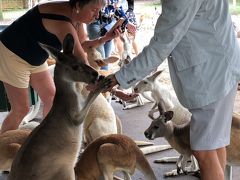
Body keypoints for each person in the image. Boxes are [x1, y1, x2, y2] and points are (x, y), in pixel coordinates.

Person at [90, 0, 240, 179]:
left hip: (211, 76)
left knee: (203, 151)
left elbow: (161, 45)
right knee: (214, 145)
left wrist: (117, 78)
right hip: (220, 67)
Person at [0, 0, 121, 134]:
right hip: (11, 54)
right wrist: (99, 83)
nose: (97, 16)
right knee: (21, 109)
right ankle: (2, 147)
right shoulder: (62, 21)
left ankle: (46, 139)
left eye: (99, 10)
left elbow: (83, 45)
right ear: (78, 5)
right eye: (93, 10)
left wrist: (105, 38)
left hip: (35, 57)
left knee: (52, 97)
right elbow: (80, 57)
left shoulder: (76, 16)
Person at [87, 0, 136, 70]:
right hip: (95, 23)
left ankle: (104, 77)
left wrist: (127, 22)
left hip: (109, 25)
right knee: (101, 59)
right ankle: (102, 77)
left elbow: (118, 8)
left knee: (106, 58)